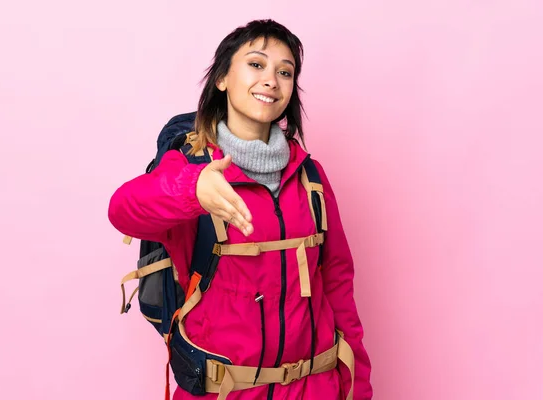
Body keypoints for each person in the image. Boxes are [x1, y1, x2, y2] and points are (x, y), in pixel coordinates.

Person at [108, 19, 372, 400]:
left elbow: (339, 290)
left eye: (285, 72)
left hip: (316, 388)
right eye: (256, 64)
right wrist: (191, 190)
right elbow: (123, 209)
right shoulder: (191, 166)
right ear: (221, 79)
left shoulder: (310, 177)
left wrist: (357, 388)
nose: (271, 80)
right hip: (223, 391)